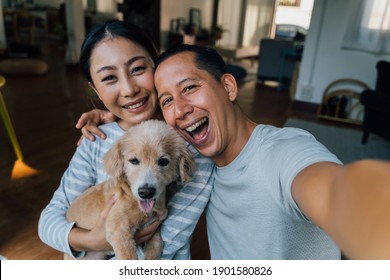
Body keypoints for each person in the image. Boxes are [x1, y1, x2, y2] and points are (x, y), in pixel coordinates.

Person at [79, 44, 390, 260]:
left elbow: (336, 189)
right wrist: (110, 117)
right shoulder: (189, 153)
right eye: (167, 100)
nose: (182, 109)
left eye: (189, 87)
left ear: (228, 87)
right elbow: (149, 144)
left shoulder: (285, 150)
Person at [38, 21, 214, 260]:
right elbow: (48, 222)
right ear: (95, 90)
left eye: (137, 69)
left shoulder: (187, 145)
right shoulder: (95, 140)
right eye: (110, 77)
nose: (129, 89)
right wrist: (92, 240)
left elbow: (168, 247)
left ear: (156, 64)